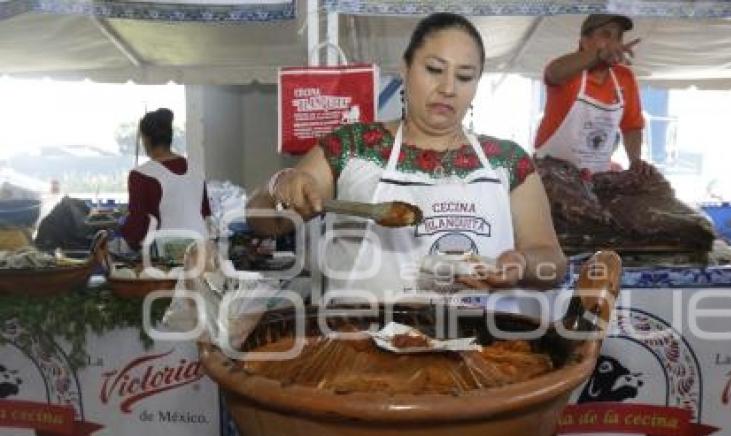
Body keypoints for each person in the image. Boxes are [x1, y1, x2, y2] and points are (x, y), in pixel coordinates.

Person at [249, 12, 566, 299]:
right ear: (405, 67)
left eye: (465, 76)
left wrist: (522, 264)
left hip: (482, 353)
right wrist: (281, 186)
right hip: (361, 350)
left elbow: (552, 261)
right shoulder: (352, 147)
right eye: (434, 69)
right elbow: (261, 221)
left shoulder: (508, 161)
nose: (447, 88)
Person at [534, 13, 651, 176]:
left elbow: (631, 126)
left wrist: (635, 161)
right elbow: (553, 72)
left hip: (597, 178)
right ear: (584, 41)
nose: (613, 43)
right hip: (551, 173)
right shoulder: (568, 70)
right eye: (606, 35)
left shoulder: (625, 77)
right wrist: (598, 55)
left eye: (618, 37)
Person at [120, 108, 211, 257]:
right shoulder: (196, 168)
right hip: (203, 250)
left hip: (168, 255)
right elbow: (205, 213)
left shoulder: (142, 175)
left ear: (146, 139)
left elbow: (137, 227)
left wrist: (121, 235)